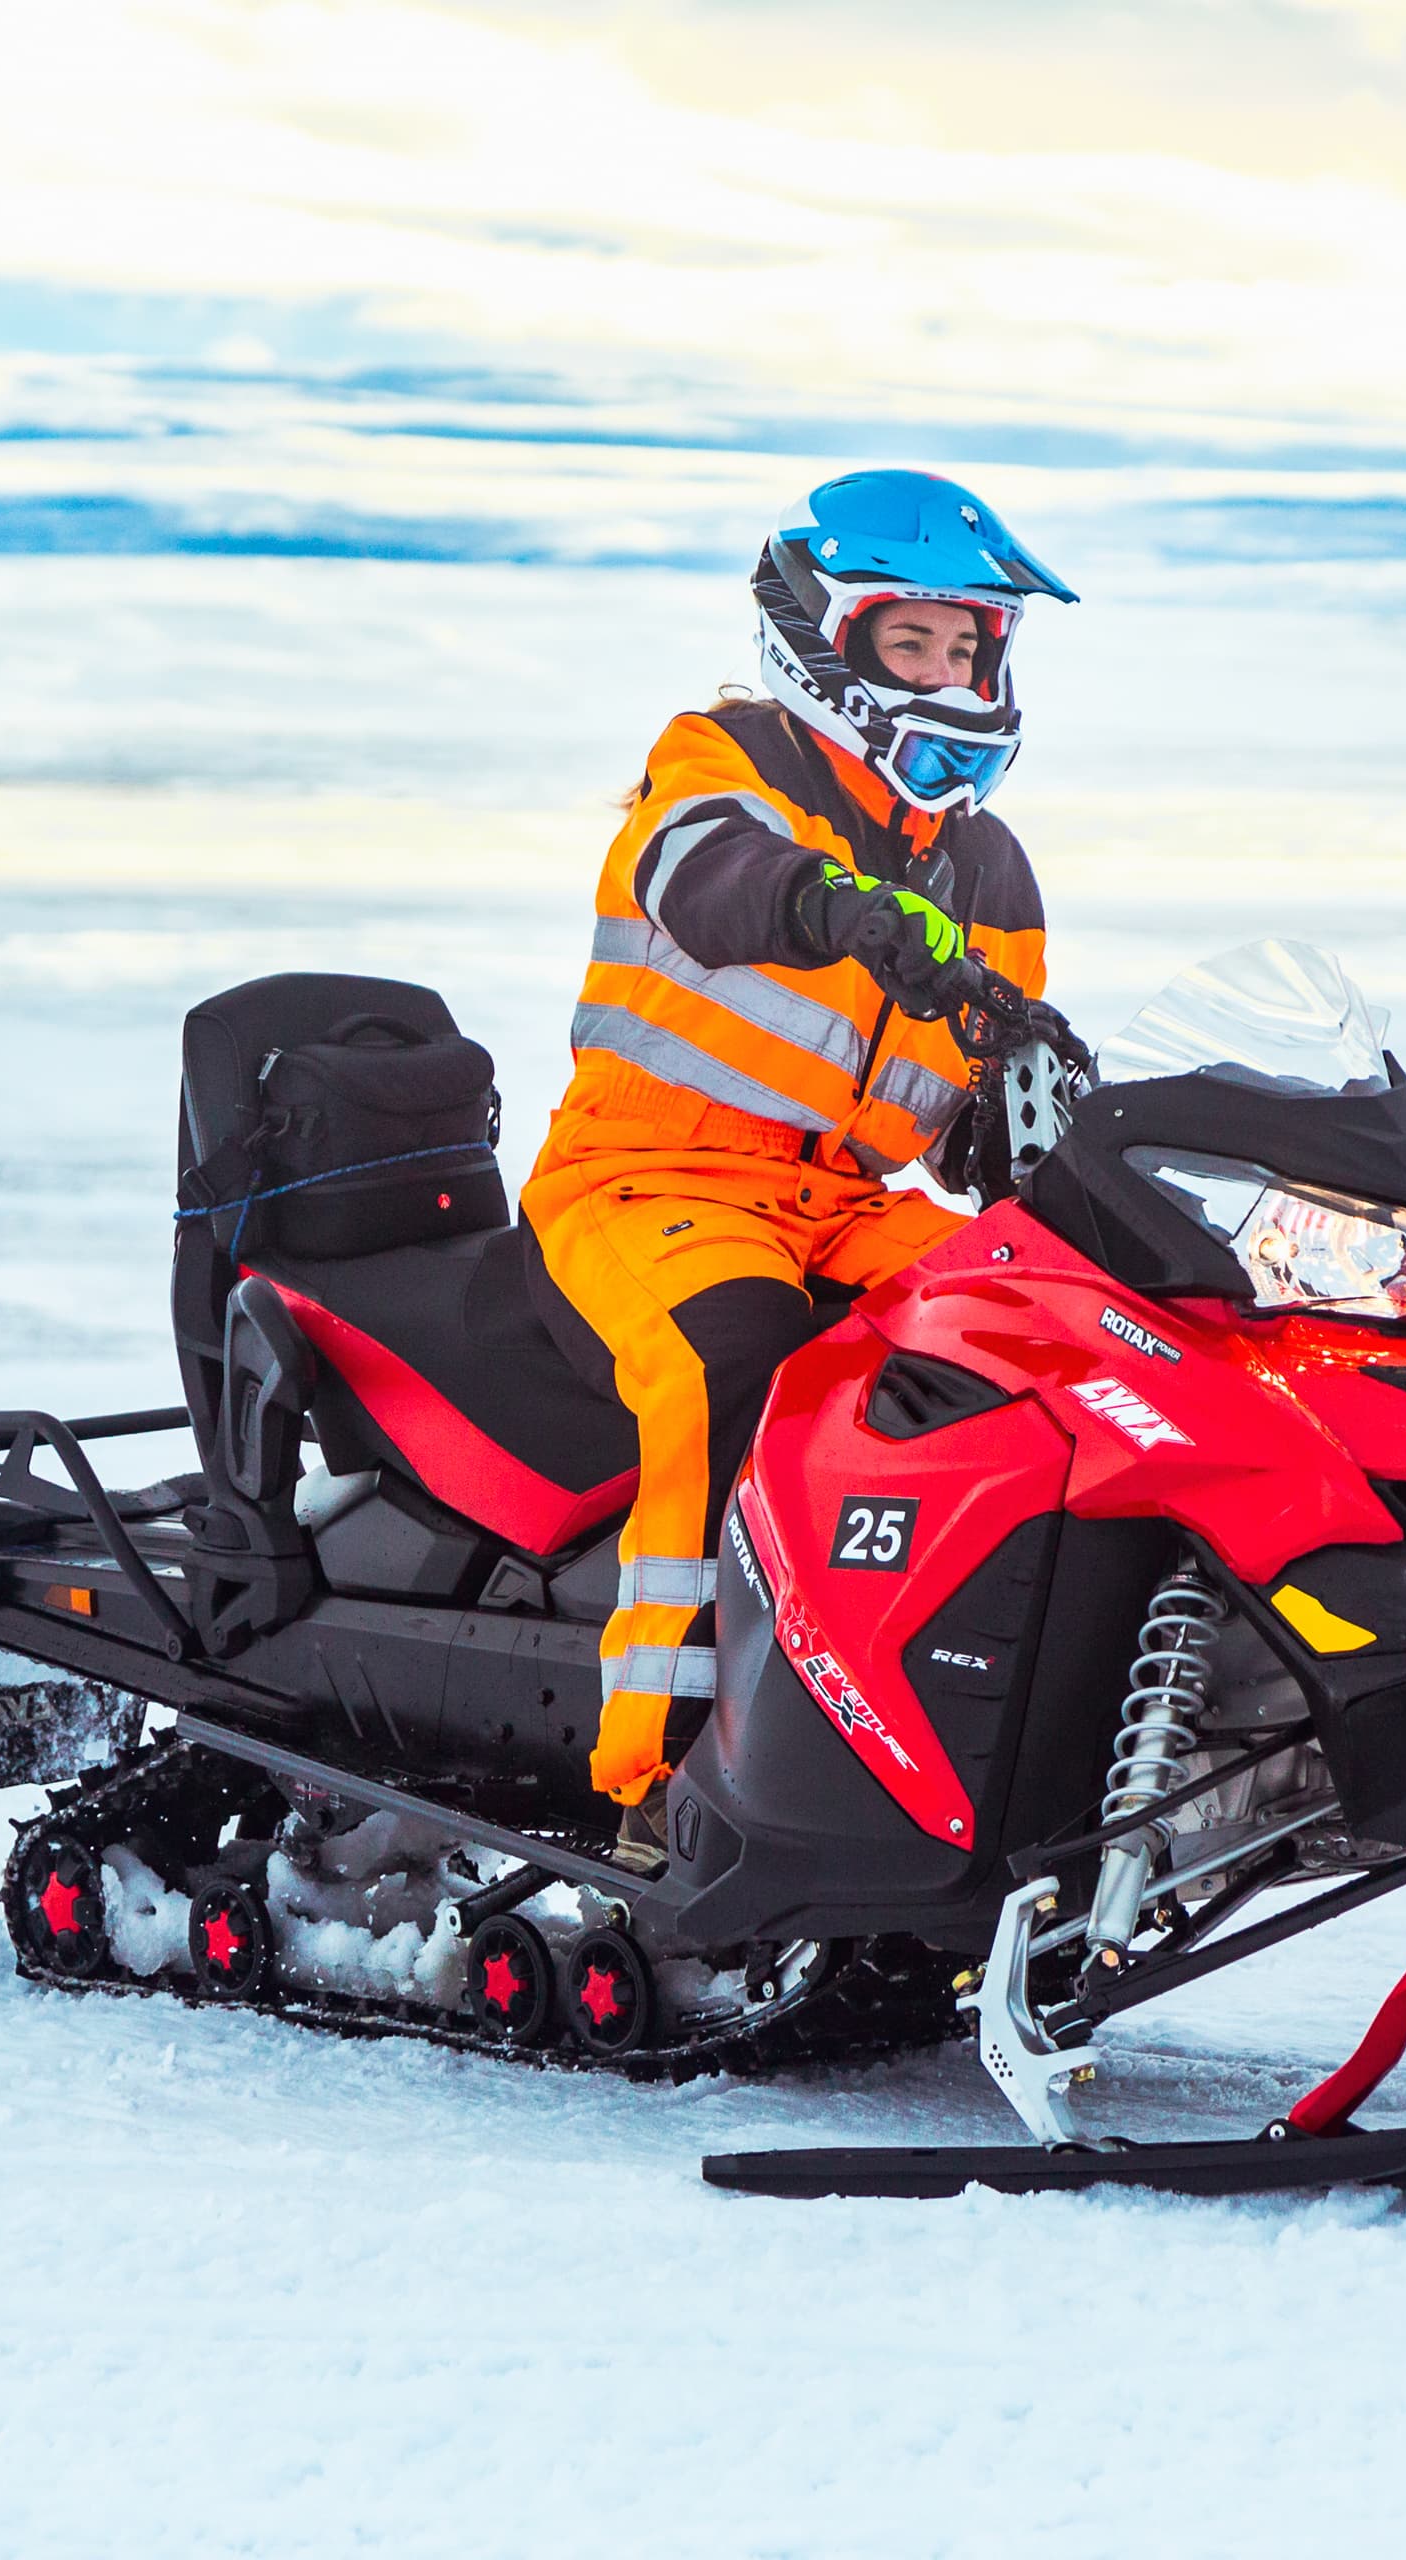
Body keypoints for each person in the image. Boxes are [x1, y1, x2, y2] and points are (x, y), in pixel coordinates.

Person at [524, 468, 1074, 1850]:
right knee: (734, 1361)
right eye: (914, 643)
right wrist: (839, 905)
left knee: (1049, 1331)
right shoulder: (729, 762)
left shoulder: (989, 871)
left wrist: (1030, 1115)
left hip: (844, 1203)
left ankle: (1000, 1719)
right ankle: (668, 1785)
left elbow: (955, 1113)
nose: (949, 672)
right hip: (648, 1179)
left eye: (969, 646)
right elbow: (695, 873)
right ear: (821, 638)